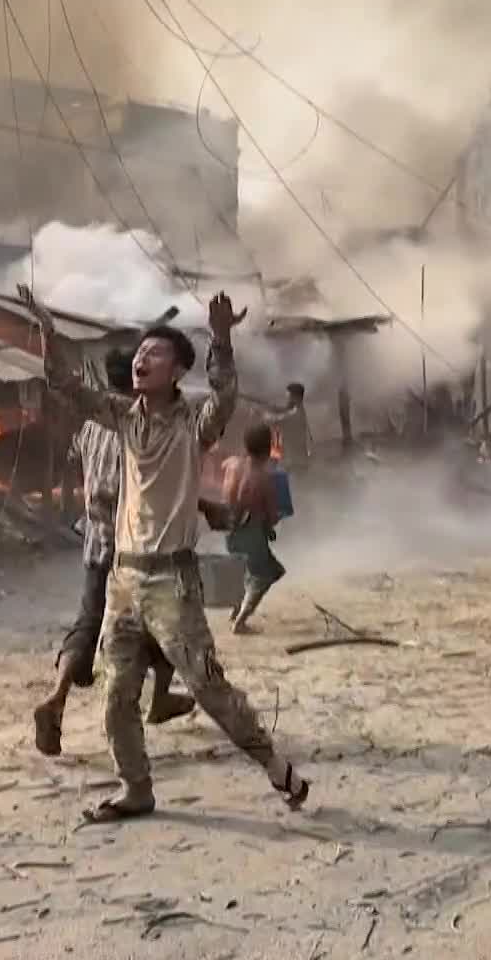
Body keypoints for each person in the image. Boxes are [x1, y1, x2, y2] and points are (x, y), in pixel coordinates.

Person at [34, 291, 311, 824]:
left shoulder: (192, 425)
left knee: (208, 688)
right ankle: (135, 788)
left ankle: (276, 767)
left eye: (156, 353)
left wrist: (223, 339)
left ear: (179, 370)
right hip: (123, 578)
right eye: (141, 352)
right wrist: (48, 332)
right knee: (117, 695)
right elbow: (67, 387)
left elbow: (225, 396)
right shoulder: (122, 417)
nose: (142, 359)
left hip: (171, 582)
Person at [32, 348, 195, 758]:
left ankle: (57, 697)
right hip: (133, 546)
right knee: (170, 617)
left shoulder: (90, 425)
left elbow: (75, 461)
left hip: (95, 541)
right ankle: (158, 697)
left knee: (86, 625)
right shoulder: (138, 426)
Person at [221, 424, 286, 634]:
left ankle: (235, 609)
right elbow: (273, 514)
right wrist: (270, 525)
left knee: (244, 571)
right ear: (268, 448)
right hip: (251, 531)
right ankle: (240, 620)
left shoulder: (232, 464)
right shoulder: (265, 478)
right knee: (265, 575)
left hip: (230, 528)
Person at [264, 383, 311, 473]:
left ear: (295, 397)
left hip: (294, 463)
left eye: (288, 396)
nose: (287, 399)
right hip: (296, 461)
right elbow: (284, 411)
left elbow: (273, 420)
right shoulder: (298, 410)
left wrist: (261, 413)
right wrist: (272, 408)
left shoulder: (295, 414)